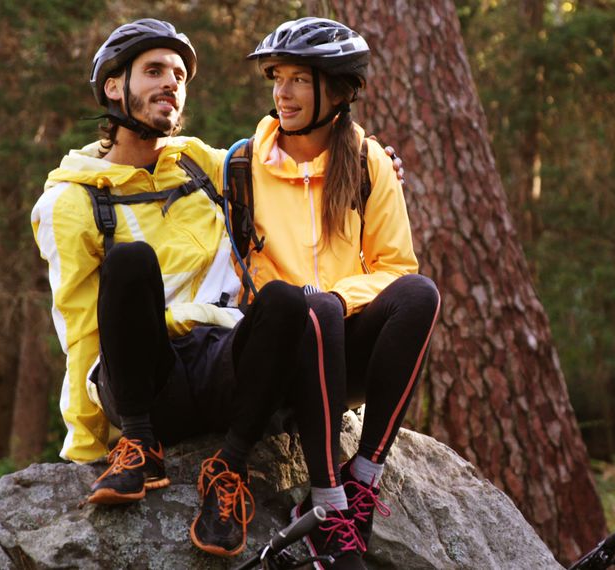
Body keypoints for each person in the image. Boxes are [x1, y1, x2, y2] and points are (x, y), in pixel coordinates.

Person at [29, 19, 392, 559]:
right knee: (130, 260)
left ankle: (229, 469)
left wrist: (368, 160)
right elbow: (80, 329)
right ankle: (139, 447)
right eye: (154, 71)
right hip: (147, 382)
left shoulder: (201, 163)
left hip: (224, 368)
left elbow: (287, 166)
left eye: (179, 75)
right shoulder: (69, 202)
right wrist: (86, 447)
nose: (171, 83)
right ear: (113, 86)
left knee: (285, 299)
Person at [241, 17, 441, 569]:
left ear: (338, 91)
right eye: (277, 78)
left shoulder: (369, 163)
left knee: (420, 294)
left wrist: (333, 298)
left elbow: (396, 266)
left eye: (299, 80)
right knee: (315, 308)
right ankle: (327, 506)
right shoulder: (241, 164)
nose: (282, 93)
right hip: (279, 354)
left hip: (340, 350)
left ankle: (363, 477)